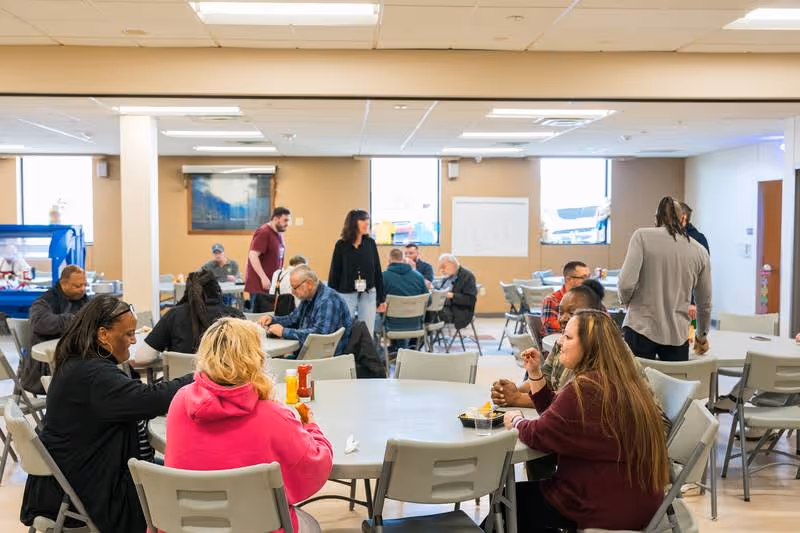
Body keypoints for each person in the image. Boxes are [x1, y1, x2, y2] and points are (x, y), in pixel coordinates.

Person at [20, 296, 193, 533]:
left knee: (172, 472)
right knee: (186, 487)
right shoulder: (94, 375)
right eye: (128, 334)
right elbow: (149, 399)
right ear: (103, 335)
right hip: (90, 490)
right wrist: (197, 376)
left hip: (70, 480)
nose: (134, 340)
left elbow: (135, 395)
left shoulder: (78, 361)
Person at [501, 310, 669, 531]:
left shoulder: (586, 388)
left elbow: (539, 435)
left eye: (568, 337)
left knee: (508, 501)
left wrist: (516, 421)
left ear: (590, 346)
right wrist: (535, 374)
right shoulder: (621, 379)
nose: (560, 342)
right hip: (640, 502)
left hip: (603, 506)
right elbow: (558, 413)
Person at [165, 317, 332, 533]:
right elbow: (314, 466)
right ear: (256, 359)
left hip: (187, 526)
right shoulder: (273, 416)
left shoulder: (180, 401)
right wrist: (312, 427)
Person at [619, 197, 711, 362]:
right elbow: (704, 303)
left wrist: (626, 300)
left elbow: (625, 285)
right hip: (677, 336)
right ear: (683, 218)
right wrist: (701, 336)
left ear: (656, 219)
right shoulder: (700, 251)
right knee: (675, 385)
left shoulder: (642, 237)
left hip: (640, 329)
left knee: (635, 386)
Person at [492, 280, 606, 408]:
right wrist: (512, 391)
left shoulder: (600, 351)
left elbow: (569, 400)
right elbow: (545, 377)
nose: (562, 318)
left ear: (594, 316)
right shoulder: (560, 343)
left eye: (572, 313)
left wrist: (517, 398)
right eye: (561, 312)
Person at [134, 270, 244, 365]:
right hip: (226, 386)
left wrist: (167, 357)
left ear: (187, 290)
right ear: (217, 289)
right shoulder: (235, 316)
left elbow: (142, 358)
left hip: (180, 386)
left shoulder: (173, 315)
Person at [21, 265, 89, 394]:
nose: (82, 289)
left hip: (72, 361)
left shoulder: (82, 299)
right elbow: (41, 324)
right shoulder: (43, 302)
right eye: (77, 286)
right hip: (45, 367)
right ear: (63, 283)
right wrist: (75, 320)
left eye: (84, 285)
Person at [258, 265, 352, 356]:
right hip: (311, 353)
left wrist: (284, 331)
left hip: (325, 358)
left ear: (309, 284)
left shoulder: (327, 300)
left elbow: (319, 336)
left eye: (295, 288)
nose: (292, 292)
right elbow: (293, 319)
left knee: (272, 365)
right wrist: (272, 319)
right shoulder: (308, 297)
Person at [328, 209, 385, 336]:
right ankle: (346, 355)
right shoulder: (341, 245)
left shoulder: (370, 243)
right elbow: (334, 273)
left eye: (367, 220)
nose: (366, 223)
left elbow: (377, 271)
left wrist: (382, 298)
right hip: (346, 293)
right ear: (353, 223)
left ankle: (364, 356)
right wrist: (331, 299)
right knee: (344, 330)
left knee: (367, 331)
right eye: (362, 220)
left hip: (368, 293)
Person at [245, 206, 290, 313]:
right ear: (275, 219)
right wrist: (263, 277)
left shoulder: (278, 234)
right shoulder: (264, 232)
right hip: (260, 286)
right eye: (285, 220)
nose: (287, 223)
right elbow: (253, 255)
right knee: (258, 319)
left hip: (271, 284)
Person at [382, 248, 429, 332]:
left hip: (390, 325)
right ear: (404, 260)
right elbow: (429, 301)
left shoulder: (383, 277)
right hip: (416, 324)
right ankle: (402, 345)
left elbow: (377, 302)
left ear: (389, 260)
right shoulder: (419, 276)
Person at [540, 261, 590, 336]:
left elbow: (606, 323)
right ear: (568, 279)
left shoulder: (591, 298)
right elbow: (550, 328)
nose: (589, 281)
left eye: (589, 277)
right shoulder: (552, 300)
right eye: (584, 277)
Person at [679, 202, 709, 321]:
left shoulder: (698, 240)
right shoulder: (670, 238)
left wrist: (692, 301)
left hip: (689, 302)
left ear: (683, 218)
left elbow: (701, 275)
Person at [435, 254, 476, 330]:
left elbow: (471, 300)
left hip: (459, 312)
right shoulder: (448, 276)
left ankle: (420, 339)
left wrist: (451, 295)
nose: (442, 270)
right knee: (425, 311)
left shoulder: (467, 276)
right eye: (440, 267)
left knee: (429, 314)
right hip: (445, 308)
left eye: (443, 267)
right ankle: (422, 339)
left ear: (452, 264)